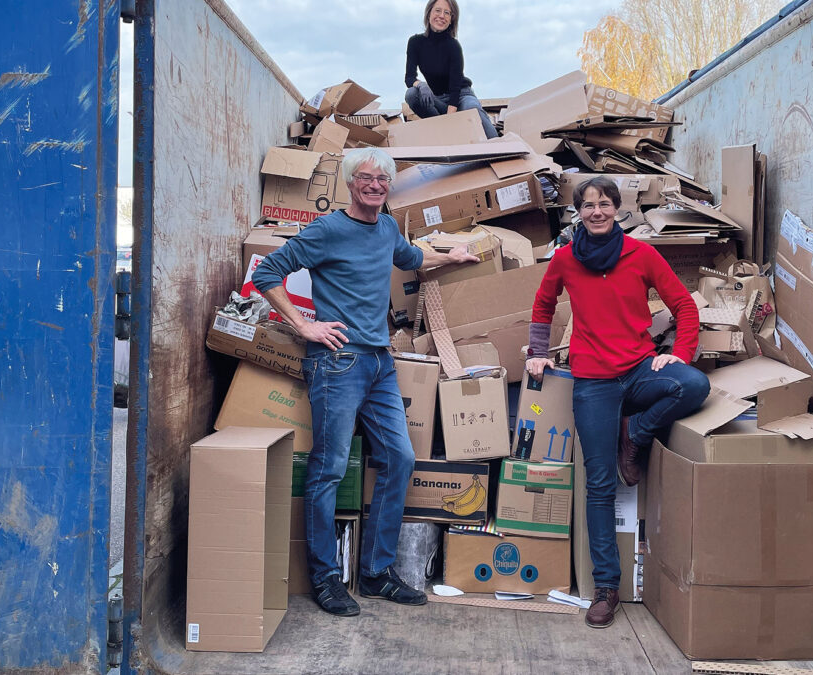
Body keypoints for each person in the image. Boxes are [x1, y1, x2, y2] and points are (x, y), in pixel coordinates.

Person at [252, 147, 478, 617]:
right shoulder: (328, 230)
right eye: (367, 178)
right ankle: (325, 578)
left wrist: (452, 256)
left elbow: (413, 257)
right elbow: (268, 272)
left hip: (379, 363)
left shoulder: (388, 227)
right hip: (338, 363)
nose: (376, 185)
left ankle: (375, 573)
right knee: (329, 468)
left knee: (400, 458)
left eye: (383, 179)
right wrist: (304, 325)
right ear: (351, 183)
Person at [525, 176, 709, 629]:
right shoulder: (566, 259)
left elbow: (685, 306)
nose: (597, 212)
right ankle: (606, 588)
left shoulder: (641, 254)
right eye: (588, 205)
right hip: (593, 381)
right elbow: (543, 305)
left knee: (693, 385)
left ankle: (636, 434)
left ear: (617, 209)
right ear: (578, 212)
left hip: (639, 368)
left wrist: (680, 354)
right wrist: (537, 353)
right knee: (601, 485)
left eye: (605, 204)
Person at [403, 0, 499, 139]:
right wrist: (421, 85)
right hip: (437, 99)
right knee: (412, 94)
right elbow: (409, 78)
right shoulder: (415, 42)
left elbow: (455, 86)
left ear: (451, 20)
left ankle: (498, 144)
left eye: (447, 13)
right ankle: (444, 133)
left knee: (471, 109)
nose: (441, 16)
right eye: (438, 10)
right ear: (429, 13)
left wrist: (451, 119)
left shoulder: (453, 46)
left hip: (461, 96)